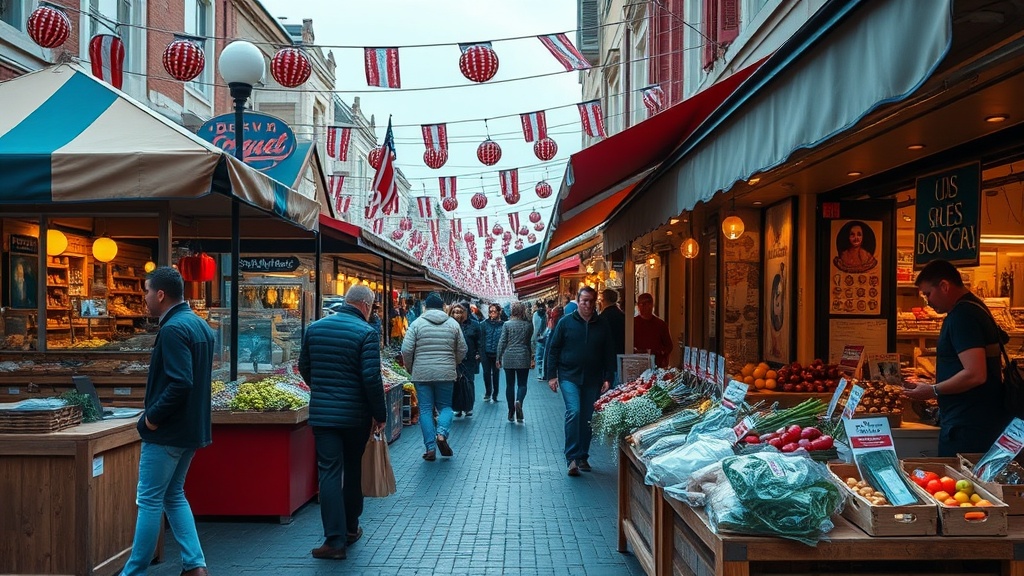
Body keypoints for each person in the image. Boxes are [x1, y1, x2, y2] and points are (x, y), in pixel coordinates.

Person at [121, 266, 215, 576]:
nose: (144, 297)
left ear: (160, 294)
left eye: (147, 291)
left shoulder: (174, 329)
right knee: (173, 494)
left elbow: (180, 382)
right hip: (190, 429)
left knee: (148, 500)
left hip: (168, 431)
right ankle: (195, 565)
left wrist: (151, 419)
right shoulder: (199, 325)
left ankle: (132, 572)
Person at [298, 284, 387, 561]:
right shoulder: (366, 333)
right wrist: (380, 414)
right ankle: (350, 528)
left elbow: (305, 366)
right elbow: (371, 378)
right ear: (365, 305)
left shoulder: (315, 329)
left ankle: (333, 541)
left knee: (329, 472)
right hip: (355, 415)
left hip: (324, 415)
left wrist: (322, 390)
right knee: (353, 469)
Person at [902, 260, 1011, 456]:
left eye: (928, 293)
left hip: (968, 425)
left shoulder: (963, 316)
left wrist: (932, 390)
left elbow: (975, 374)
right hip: (980, 419)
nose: (927, 300)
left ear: (944, 286)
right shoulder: (974, 307)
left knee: (960, 483)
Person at [545, 286, 615, 477]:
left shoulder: (602, 324)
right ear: (578, 301)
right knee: (574, 411)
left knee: (587, 418)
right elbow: (553, 348)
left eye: (591, 301)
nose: (588, 305)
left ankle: (583, 455)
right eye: (584, 301)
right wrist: (551, 376)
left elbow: (609, 352)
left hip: (593, 377)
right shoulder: (565, 322)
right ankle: (572, 458)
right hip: (569, 375)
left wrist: (609, 376)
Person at [402, 292, 467, 460]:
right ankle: (441, 434)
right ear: (442, 307)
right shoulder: (453, 324)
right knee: (445, 407)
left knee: (425, 409)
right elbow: (463, 349)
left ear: (425, 307)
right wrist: (453, 362)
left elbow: (406, 350)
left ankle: (430, 448)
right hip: (445, 373)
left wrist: (411, 367)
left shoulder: (416, 324)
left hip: (422, 373)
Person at [496, 302, 534, 423]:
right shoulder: (528, 325)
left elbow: (502, 341)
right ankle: (519, 401)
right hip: (523, 355)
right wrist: (532, 357)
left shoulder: (507, 324)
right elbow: (530, 342)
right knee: (522, 384)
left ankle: (511, 410)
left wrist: (498, 357)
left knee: (510, 385)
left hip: (509, 356)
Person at [450, 302, 483, 417]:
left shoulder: (474, 325)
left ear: (466, 312)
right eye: (455, 312)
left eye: (460, 312)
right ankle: (457, 407)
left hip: (470, 358)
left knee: (469, 382)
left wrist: (478, 353)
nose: (457, 314)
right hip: (454, 358)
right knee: (456, 383)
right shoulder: (451, 324)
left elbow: (479, 340)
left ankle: (468, 407)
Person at [633, 293, 673, 368]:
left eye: (649, 304)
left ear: (652, 305)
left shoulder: (660, 324)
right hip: (637, 363)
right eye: (643, 304)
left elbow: (669, 346)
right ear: (638, 306)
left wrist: (659, 352)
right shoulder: (632, 324)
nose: (646, 307)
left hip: (656, 364)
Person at [479, 303, 505, 403]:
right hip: (485, 353)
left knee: (496, 374)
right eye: (491, 311)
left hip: (497, 354)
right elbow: (480, 339)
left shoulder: (503, 325)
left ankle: (495, 394)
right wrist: (480, 353)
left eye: (494, 311)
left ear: (499, 312)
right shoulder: (483, 324)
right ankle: (488, 392)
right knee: (486, 374)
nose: (492, 313)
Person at [599, 288, 626, 358]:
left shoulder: (603, 317)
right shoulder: (622, 315)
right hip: (621, 351)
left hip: (608, 354)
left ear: (603, 300)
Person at [531, 300, 547, 379]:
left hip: (544, 337)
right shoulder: (538, 315)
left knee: (542, 356)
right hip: (539, 338)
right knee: (539, 356)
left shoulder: (544, 315)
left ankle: (543, 372)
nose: (541, 309)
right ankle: (540, 372)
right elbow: (535, 327)